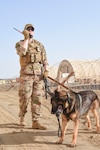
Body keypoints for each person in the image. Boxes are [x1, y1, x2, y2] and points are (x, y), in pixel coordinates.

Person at [15, 23, 49, 130]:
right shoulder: (19, 43)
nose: (30, 31)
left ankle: (36, 121)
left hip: (38, 76)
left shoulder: (39, 45)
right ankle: (22, 117)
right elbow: (22, 52)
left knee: (38, 99)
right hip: (26, 76)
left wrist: (46, 70)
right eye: (28, 29)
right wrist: (26, 39)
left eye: (32, 29)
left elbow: (45, 60)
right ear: (24, 31)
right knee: (24, 98)